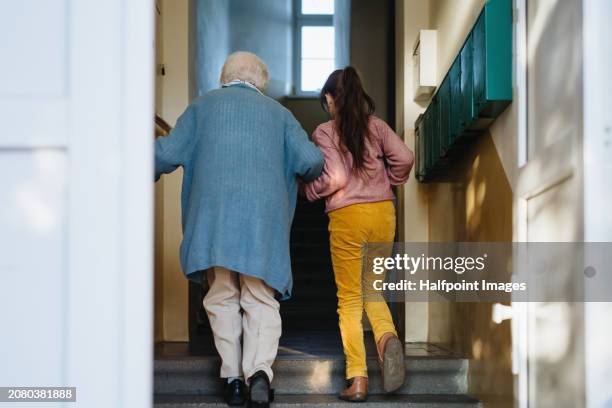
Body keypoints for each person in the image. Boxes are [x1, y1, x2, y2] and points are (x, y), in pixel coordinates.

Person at [155, 51, 324, 408]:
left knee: (221, 296)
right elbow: (310, 161)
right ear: (260, 82)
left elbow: (166, 153)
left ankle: (232, 378)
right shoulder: (280, 115)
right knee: (260, 298)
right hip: (262, 223)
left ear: (224, 76)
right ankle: (259, 372)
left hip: (214, 221)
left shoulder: (201, 108)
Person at [303, 67, 414, 402]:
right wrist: (387, 182)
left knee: (350, 300)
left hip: (348, 216)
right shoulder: (377, 126)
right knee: (373, 292)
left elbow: (334, 176)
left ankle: (359, 379)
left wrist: (310, 190)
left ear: (329, 98)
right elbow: (405, 157)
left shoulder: (324, 131)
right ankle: (386, 338)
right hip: (383, 213)